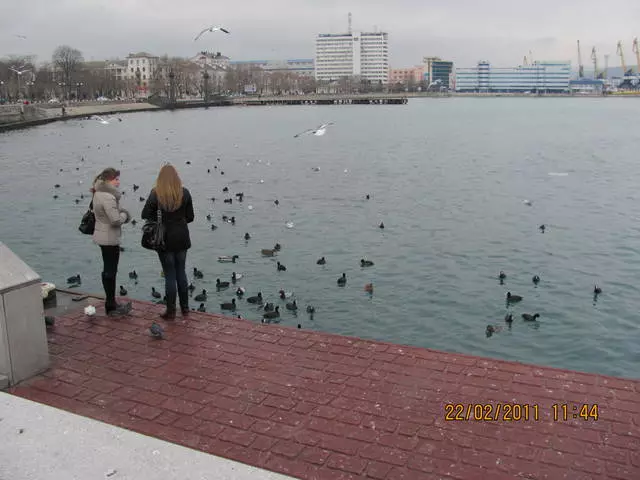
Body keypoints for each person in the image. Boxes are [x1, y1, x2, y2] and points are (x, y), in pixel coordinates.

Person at [141, 164, 194, 319]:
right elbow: (190, 217)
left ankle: (170, 310)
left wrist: (160, 217)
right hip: (182, 237)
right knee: (181, 272)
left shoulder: (155, 194)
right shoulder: (185, 193)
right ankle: (185, 308)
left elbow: (145, 214)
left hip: (163, 239)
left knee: (170, 274)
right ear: (177, 177)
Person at [91, 168, 132, 316]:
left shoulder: (97, 193)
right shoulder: (108, 197)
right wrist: (124, 215)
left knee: (107, 268)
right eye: (116, 179)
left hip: (101, 235)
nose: (118, 181)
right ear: (109, 180)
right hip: (109, 237)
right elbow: (115, 220)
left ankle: (110, 301)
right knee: (111, 270)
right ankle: (111, 304)